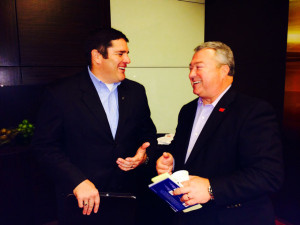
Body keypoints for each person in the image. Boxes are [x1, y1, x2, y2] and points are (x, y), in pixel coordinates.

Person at [32, 28, 157, 225]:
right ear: (97, 56)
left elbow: (148, 134)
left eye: (127, 53)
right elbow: (45, 147)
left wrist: (143, 157)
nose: (128, 60)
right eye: (120, 53)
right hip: (82, 201)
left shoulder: (136, 92)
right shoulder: (61, 94)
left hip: (128, 199)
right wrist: (76, 181)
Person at [156, 41, 284, 225]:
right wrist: (171, 162)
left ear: (224, 70)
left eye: (198, 67)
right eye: (190, 68)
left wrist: (211, 188)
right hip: (189, 217)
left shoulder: (253, 111)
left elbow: (268, 175)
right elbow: (185, 154)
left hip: (233, 218)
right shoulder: (187, 110)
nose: (191, 74)